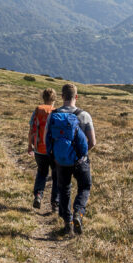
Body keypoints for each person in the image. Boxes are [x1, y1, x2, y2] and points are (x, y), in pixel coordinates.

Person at [45, 83, 96, 235]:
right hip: (80, 161)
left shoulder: (53, 115)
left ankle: (67, 222)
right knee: (85, 187)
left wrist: (55, 156)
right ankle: (78, 214)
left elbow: (46, 138)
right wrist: (82, 154)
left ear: (62, 96)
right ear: (76, 97)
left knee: (64, 189)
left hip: (61, 161)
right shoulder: (84, 115)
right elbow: (92, 142)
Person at [27, 88, 59, 211]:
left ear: (43, 98)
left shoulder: (37, 111)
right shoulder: (57, 112)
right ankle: (55, 202)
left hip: (39, 148)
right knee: (56, 175)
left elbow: (31, 130)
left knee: (41, 172)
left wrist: (30, 145)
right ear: (54, 99)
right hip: (53, 150)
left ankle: (39, 195)